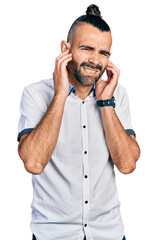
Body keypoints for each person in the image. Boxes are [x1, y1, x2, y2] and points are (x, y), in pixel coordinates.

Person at [17, 4, 140, 240]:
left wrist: (106, 103)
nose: (95, 60)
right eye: (87, 49)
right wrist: (60, 95)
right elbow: (33, 162)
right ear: (66, 48)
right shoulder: (35, 94)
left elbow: (127, 165)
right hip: (53, 235)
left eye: (103, 53)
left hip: (109, 233)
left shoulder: (117, 95)